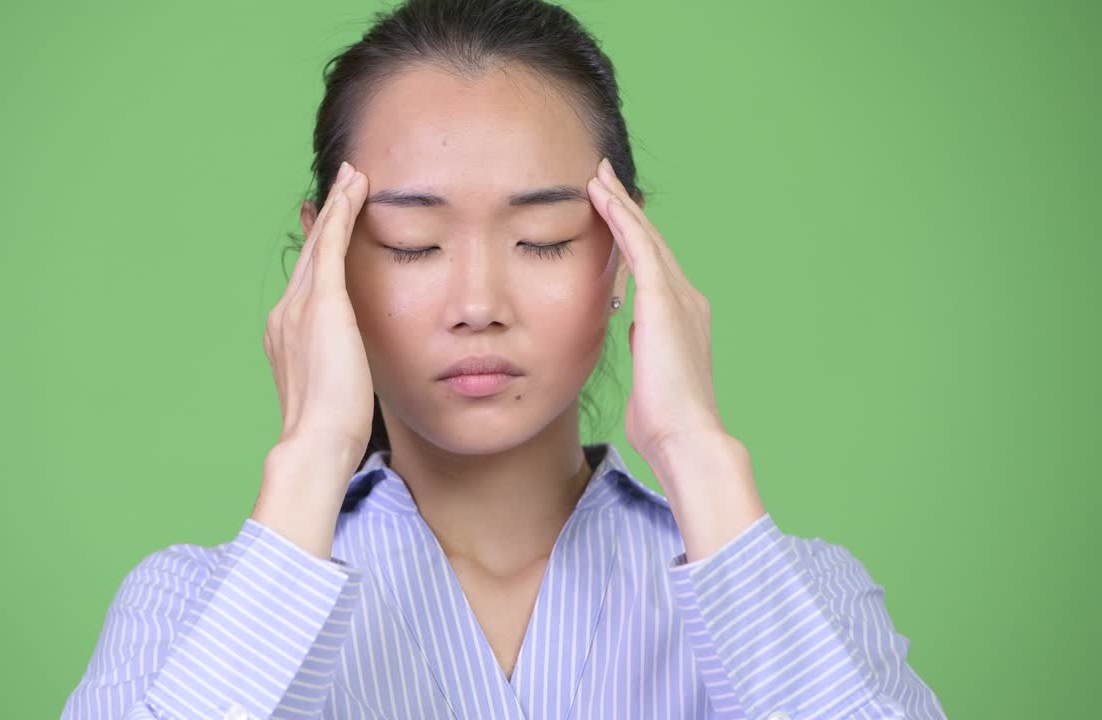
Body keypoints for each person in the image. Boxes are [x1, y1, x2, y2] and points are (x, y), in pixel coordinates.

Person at [61, 1, 948, 718]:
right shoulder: (185, 609)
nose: (478, 305)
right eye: (412, 243)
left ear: (622, 251)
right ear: (326, 258)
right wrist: (308, 463)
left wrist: (696, 451)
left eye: (543, 238)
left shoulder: (805, 595)